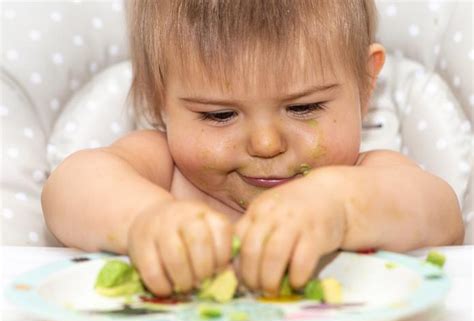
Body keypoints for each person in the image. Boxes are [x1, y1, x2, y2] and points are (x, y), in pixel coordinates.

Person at [41, 0, 464, 297]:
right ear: (157, 101)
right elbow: (69, 187)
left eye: (304, 107)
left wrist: (339, 207)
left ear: (366, 85)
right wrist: (145, 220)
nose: (266, 144)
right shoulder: (162, 169)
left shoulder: (367, 175)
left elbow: (443, 215)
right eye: (219, 115)